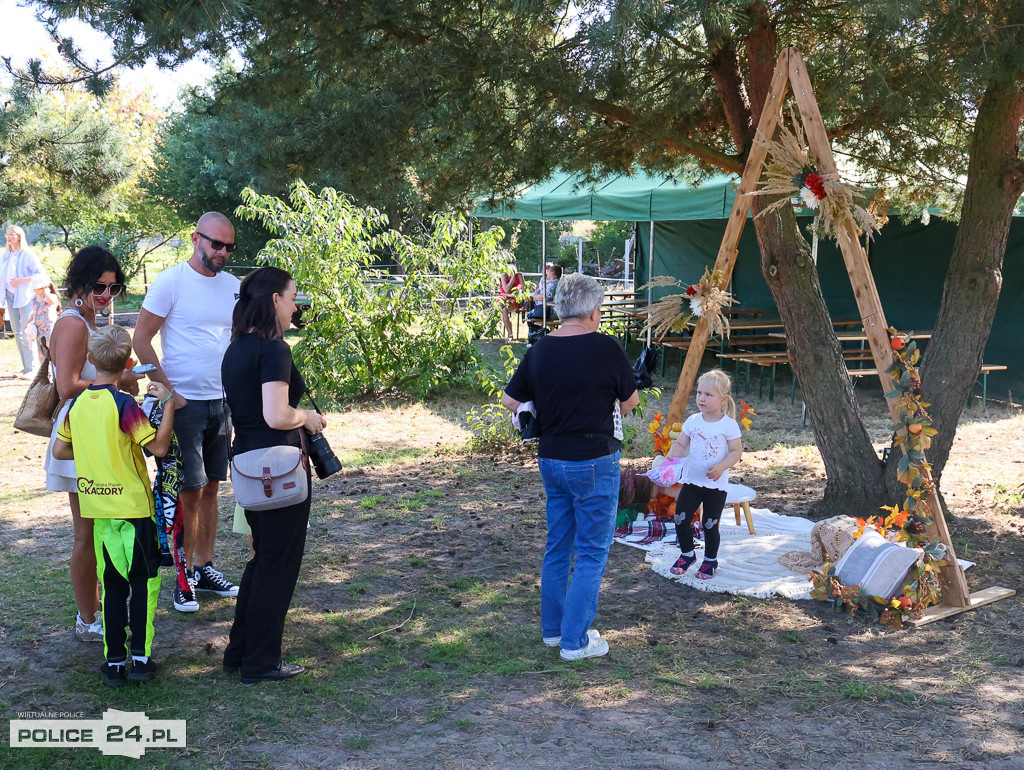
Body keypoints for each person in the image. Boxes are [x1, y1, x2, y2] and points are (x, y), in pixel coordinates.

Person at [502, 272, 639, 661]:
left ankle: (552, 630)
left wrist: (533, 409)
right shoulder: (606, 348)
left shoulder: (540, 349)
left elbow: (509, 399)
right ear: (594, 311)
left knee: (558, 547)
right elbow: (629, 404)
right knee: (593, 553)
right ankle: (574, 641)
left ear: (561, 309)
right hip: (594, 460)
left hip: (551, 459)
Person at [52, 325, 178, 686]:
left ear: (90, 359)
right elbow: (158, 447)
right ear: (129, 363)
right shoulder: (125, 405)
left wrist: (94, 452)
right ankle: (140, 658)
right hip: (134, 510)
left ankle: (114, 662)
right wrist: (167, 403)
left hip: (99, 509)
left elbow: (61, 450)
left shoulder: (76, 406)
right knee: (144, 581)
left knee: (112, 582)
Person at [221, 266, 326, 683]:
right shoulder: (273, 350)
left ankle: (240, 652)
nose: (296, 305)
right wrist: (309, 417)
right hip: (278, 470)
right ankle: (261, 662)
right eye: (292, 296)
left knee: (262, 560)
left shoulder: (235, 349)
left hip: (248, 466)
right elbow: (277, 414)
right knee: (277, 566)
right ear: (275, 301)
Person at [133, 212, 242, 612]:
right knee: (187, 491)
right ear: (195, 239)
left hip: (222, 402)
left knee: (213, 487)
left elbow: (236, 336)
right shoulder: (171, 281)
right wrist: (171, 394)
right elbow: (141, 339)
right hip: (184, 406)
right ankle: (182, 579)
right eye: (216, 244)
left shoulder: (232, 287)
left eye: (230, 246)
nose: (223, 252)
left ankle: (204, 567)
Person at [44, 245, 141, 642]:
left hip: (100, 431)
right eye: (99, 287)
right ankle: (88, 617)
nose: (106, 295)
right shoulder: (71, 323)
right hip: (80, 432)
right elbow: (67, 386)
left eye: (114, 288)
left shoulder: (88, 320)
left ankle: (102, 609)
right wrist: (116, 382)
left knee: (105, 525)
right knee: (86, 532)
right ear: (79, 284)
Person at [664, 369, 743, 580]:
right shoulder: (693, 421)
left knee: (709, 524)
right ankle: (687, 554)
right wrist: (668, 462)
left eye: (708, 395)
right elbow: (681, 444)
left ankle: (710, 560)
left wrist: (722, 466)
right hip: (692, 481)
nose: (701, 398)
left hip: (715, 486)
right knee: (681, 518)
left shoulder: (729, 425)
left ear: (723, 399)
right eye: (699, 393)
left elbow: (736, 451)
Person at [2, 225, 46, 377]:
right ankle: (26, 367)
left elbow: (41, 275)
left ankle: (33, 368)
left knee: (28, 331)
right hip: (9, 296)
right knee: (16, 331)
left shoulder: (28, 255)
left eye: (12, 234)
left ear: (19, 236)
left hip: (25, 296)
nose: (8, 237)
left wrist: (21, 280)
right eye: (7, 234)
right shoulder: (5, 256)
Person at [25, 272, 59, 360]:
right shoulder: (35, 299)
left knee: (51, 351)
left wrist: (46, 292)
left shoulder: (51, 297)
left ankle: (53, 371)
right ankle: (45, 371)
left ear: (42, 288)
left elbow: (51, 301)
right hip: (39, 329)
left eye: (36, 288)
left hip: (49, 329)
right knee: (41, 352)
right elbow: (34, 313)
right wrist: (28, 323)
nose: (34, 290)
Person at [526, 263, 562, 338]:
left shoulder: (554, 284)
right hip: (545, 309)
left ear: (553, 273)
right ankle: (540, 335)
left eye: (548, 271)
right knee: (531, 314)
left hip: (550, 311)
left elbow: (545, 297)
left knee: (530, 315)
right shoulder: (549, 283)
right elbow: (538, 290)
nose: (546, 273)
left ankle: (536, 337)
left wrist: (535, 296)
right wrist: (537, 295)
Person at [497, 262, 525, 341]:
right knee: (504, 309)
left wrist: (513, 278)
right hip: (504, 298)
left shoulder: (519, 275)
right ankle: (510, 335)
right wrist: (512, 279)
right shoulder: (503, 275)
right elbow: (506, 290)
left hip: (515, 299)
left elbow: (523, 289)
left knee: (503, 307)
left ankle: (510, 335)